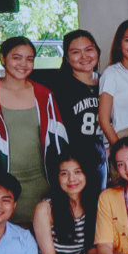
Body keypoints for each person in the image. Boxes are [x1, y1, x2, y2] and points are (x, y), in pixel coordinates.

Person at [0, 38, 68, 225]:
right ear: (2, 58)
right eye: (17, 57)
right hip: (1, 189)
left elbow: (59, 143)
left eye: (29, 59)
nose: (23, 64)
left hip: (42, 185)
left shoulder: (44, 94)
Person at [32, 29, 102, 181]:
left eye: (89, 50)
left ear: (97, 51)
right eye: (76, 52)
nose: (84, 56)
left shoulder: (108, 82)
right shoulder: (57, 87)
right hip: (72, 163)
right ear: (67, 58)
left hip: (105, 158)